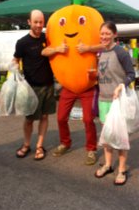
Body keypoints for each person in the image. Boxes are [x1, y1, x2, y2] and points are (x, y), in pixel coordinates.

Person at [42, 41, 104, 165]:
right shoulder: (63, 38)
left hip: (87, 87)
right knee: (61, 118)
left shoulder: (88, 34)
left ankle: (91, 149)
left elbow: (105, 45)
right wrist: (57, 49)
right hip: (69, 87)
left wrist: (89, 47)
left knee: (88, 120)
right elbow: (44, 51)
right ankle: (65, 143)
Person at [94, 21, 135, 185]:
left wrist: (120, 85)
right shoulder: (101, 53)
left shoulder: (121, 52)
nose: (104, 36)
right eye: (102, 33)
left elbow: (131, 74)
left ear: (114, 35)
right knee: (107, 135)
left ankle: (122, 169)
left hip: (118, 101)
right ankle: (108, 164)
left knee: (120, 136)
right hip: (103, 99)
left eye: (107, 33)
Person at [13, 9, 56, 160]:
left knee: (44, 116)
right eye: (36, 22)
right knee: (29, 118)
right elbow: (15, 60)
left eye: (41, 22)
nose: (39, 25)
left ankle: (39, 145)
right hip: (31, 88)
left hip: (48, 85)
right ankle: (26, 144)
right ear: (29, 22)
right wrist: (13, 70)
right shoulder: (22, 43)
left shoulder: (47, 38)